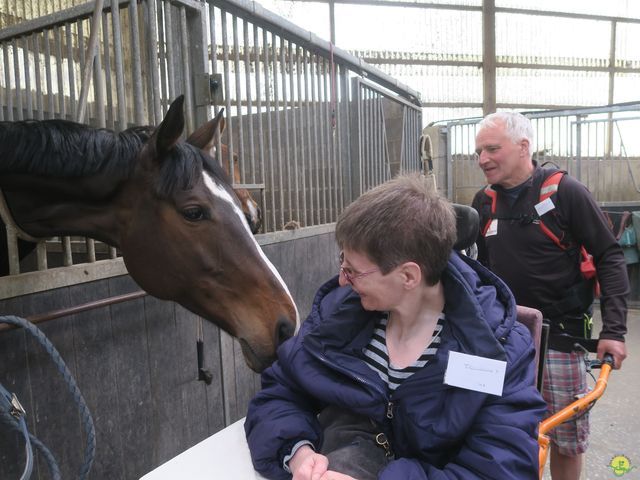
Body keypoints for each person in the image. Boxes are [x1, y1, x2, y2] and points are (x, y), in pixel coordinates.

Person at [245, 173, 547, 480]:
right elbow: (279, 393)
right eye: (342, 262)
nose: (341, 280)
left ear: (408, 277)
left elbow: (501, 468)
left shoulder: (498, 349)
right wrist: (298, 452)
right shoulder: (340, 315)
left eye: (355, 271)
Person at [471, 112, 629, 480]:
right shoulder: (484, 202)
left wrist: (614, 331)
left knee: (564, 438)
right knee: (506, 432)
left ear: (524, 147)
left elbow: (609, 257)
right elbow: (477, 271)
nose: (482, 159)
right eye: (478, 151)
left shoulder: (564, 192)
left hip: (561, 338)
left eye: (492, 148)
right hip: (506, 341)